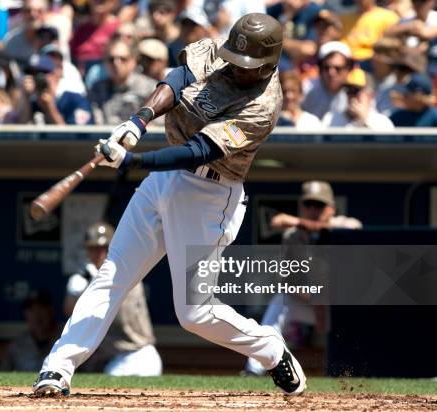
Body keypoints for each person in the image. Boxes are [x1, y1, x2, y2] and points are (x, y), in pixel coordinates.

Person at [33, 13, 306, 397]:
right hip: (162, 180)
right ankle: (57, 368)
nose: (235, 67)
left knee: (194, 315)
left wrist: (132, 162)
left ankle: (271, 349)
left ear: (269, 63)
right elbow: (177, 81)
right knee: (113, 273)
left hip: (210, 194)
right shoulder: (216, 51)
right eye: (234, 57)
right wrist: (138, 121)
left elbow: (199, 150)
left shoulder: (263, 104)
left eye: (247, 65)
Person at [245, 181, 362, 376]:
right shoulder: (293, 236)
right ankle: (254, 369)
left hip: (344, 308)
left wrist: (300, 222)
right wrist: (313, 299)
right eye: (309, 205)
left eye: (320, 205)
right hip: (312, 303)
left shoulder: (343, 226)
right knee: (280, 301)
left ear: (331, 208)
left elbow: (356, 227)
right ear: (302, 206)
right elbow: (288, 282)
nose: (314, 209)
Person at [64, 222, 162, 376]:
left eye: (104, 248)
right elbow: (69, 312)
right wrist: (74, 291)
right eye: (93, 248)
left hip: (139, 356)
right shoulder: (90, 278)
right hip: (118, 359)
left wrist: (86, 287)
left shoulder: (125, 273)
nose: (99, 254)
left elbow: (110, 313)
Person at [88, 39, 156, 125]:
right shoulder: (97, 89)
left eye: (123, 59)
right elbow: (95, 122)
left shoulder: (150, 88)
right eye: (111, 59)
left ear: (133, 61)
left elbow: (159, 123)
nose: (116, 63)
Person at [1, 290, 58, 371]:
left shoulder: (66, 337)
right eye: (31, 310)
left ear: (51, 311)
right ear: (25, 314)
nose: (37, 315)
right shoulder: (18, 343)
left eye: (41, 308)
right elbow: (3, 373)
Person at [322, 68, 395, 130]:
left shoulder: (382, 122)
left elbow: (384, 146)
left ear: (370, 95)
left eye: (356, 91)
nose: (351, 96)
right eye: (349, 90)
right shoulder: (330, 118)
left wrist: (364, 121)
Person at [302, 41, 352, 120]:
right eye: (326, 67)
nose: (331, 73)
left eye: (338, 68)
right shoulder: (306, 89)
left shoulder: (356, 95)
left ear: (348, 69)